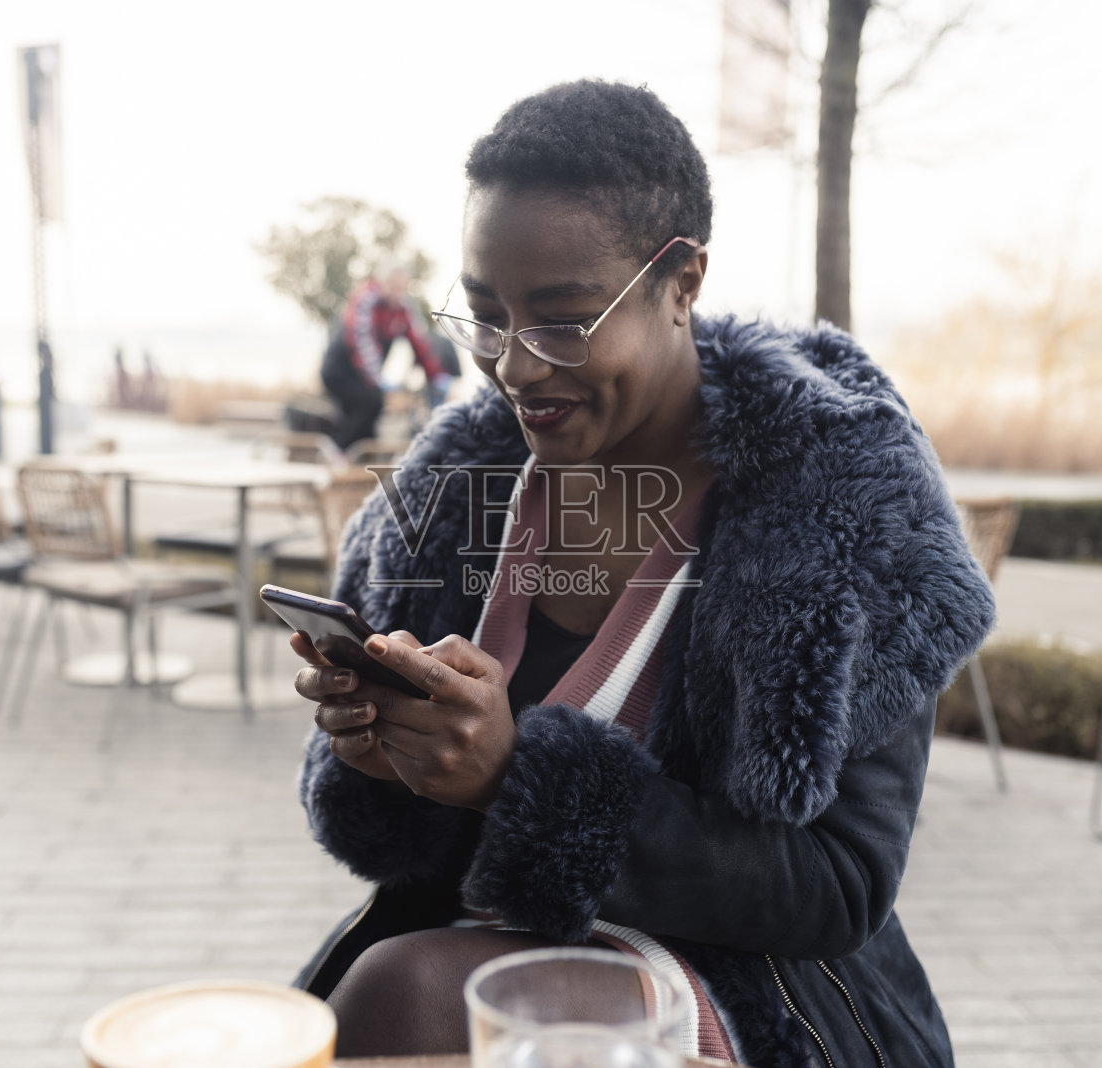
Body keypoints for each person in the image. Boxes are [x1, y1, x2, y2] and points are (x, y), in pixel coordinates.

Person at [290, 80, 995, 1066]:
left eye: (564, 319)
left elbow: (838, 888)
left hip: (754, 988)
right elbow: (394, 851)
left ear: (683, 282)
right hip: (482, 944)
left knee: (403, 992)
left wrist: (515, 779)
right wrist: (395, 761)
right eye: (486, 316)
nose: (516, 367)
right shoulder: (453, 491)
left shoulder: (841, 504)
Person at [320, 263, 453, 451]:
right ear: (382, 282)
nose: (398, 292)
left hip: (362, 377)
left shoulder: (403, 307)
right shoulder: (365, 301)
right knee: (371, 403)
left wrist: (436, 375)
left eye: (403, 288)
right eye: (394, 286)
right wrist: (379, 380)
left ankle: (358, 466)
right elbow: (362, 345)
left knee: (369, 422)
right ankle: (337, 454)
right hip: (339, 372)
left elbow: (419, 343)